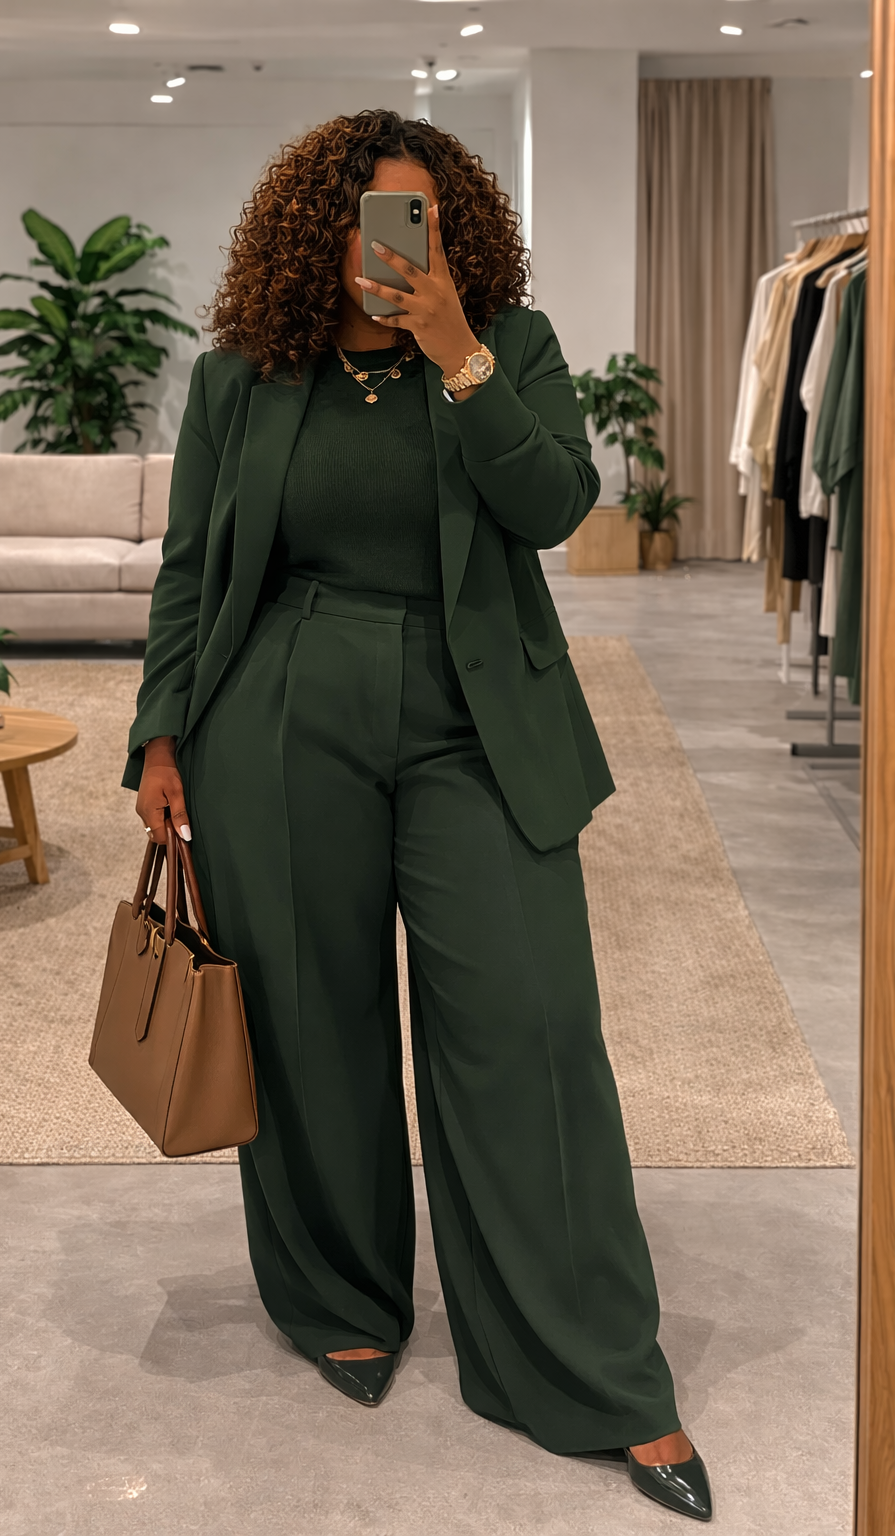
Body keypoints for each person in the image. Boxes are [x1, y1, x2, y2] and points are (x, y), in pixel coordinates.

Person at [125, 109, 712, 1523]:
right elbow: (194, 565)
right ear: (313, 232)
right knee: (309, 1021)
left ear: (457, 233)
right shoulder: (242, 376)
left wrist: (459, 356)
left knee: (533, 1031)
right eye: (372, 220)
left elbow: (556, 506)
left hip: (476, 724)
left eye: (425, 221)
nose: (399, 246)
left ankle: (589, 1364)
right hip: (279, 716)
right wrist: (160, 733)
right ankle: (340, 1290)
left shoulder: (512, 346)